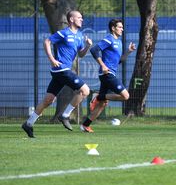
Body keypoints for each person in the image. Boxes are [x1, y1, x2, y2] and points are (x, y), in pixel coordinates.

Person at [22, 10, 92, 138]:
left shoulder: (80, 36)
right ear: (71, 19)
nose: (82, 19)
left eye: (82, 17)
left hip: (60, 72)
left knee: (48, 100)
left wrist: (87, 46)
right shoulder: (64, 33)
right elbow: (47, 41)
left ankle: (28, 123)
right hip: (62, 70)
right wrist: (52, 59)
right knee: (85, 91)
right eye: (79, 17)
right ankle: (65, 115)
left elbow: (80, 54)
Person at [80, 19, 136, 133]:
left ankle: (85, 125)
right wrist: (103, 65)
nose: (122, 29)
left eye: (122, 27)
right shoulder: (109, 39)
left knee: (101, 105)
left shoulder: (119, 42)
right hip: (107, 74)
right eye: (120, 27)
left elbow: (119, 61)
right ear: (113, 28)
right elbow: (94, 50)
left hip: (110, 73)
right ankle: (99, 96)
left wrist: (128, 51)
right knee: (125, 96)